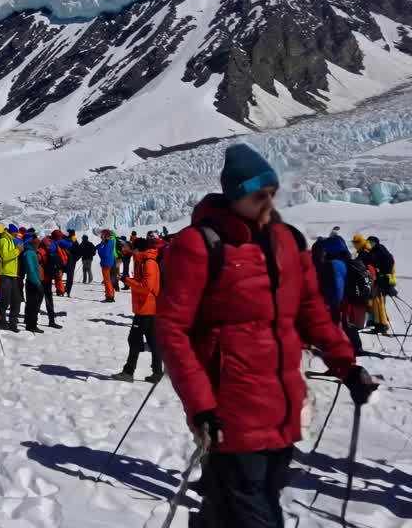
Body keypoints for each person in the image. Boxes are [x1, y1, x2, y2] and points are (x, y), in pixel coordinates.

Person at [156, 143, 377, 527]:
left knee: (233, 507)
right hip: (229, 411)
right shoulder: (199, 245)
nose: (269, 202)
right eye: (259, 195)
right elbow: (172, 330)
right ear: (236, 196)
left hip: (281, 405)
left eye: (272, 193)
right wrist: (201, 406)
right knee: (256, 511)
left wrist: (348, 366)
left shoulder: (287, 242)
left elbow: (312, 313)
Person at [111, 238, 163, 383]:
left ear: (138, 249)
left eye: (133, 248)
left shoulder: (148, 263)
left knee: (134, 340)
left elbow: (147, 287)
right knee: (152, 341)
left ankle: (129, 372)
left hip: (146, 308)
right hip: (146, 308)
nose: (131, 251)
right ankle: (157, 372)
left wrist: (127, 280)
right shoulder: (144, 260)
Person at [353, 234, 391, 334]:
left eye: (370, 242)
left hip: (380, 279)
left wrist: (384, 275)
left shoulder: (377, 250)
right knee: (376, 301)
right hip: (377, 278)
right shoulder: (374, 250)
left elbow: (385, 263)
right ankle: (378, 322)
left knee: (379, 301)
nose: (369, 244)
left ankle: (382, 324)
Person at [0, 224, 20, 330]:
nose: (17, 234)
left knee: (16, 300)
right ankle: (0, 322)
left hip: (12, 274)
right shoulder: (3, 241)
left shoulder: (11, 241)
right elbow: (4, 257)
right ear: (11, 232)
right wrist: (17, 251)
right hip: (5, 274)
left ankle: (12, 323)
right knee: (5, 300)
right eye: (16, 232)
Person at [20, 233, 44, 333]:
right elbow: (31, 269)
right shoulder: (29, 253)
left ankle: (28, 321)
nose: (37, 244)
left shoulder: (29, 251)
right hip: (33, 281)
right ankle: (32, 325)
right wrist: (37, 283)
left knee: (30, 303)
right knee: (34, 304)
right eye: (35, 242)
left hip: (31, 281)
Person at [97, 230, 117, 302]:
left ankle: (110, 296)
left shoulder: (108, 243)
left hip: (106, 263)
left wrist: (99, 248)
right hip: (108, 262)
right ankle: (109, 295)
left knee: (107, 280)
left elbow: (104, 254)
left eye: (102, 236)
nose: (101, 237)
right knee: (107, 280)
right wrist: (101, 245)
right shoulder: (110, 242)